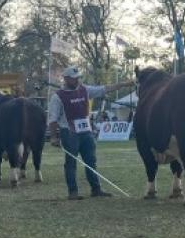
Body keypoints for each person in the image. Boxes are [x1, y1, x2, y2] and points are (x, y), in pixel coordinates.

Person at [48, 66, 133, 200]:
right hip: (69, 134)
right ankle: (73, 192)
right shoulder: (57, 97)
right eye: (74, 79)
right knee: (71, 163)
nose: (77, 80)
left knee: (91, 161)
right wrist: (53, 137)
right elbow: (52, 119)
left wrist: (123, 84)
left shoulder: (85, 90)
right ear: (66, 79)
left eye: (78, 78)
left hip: (86, 133)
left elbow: (105, 88)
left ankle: (96, 189)